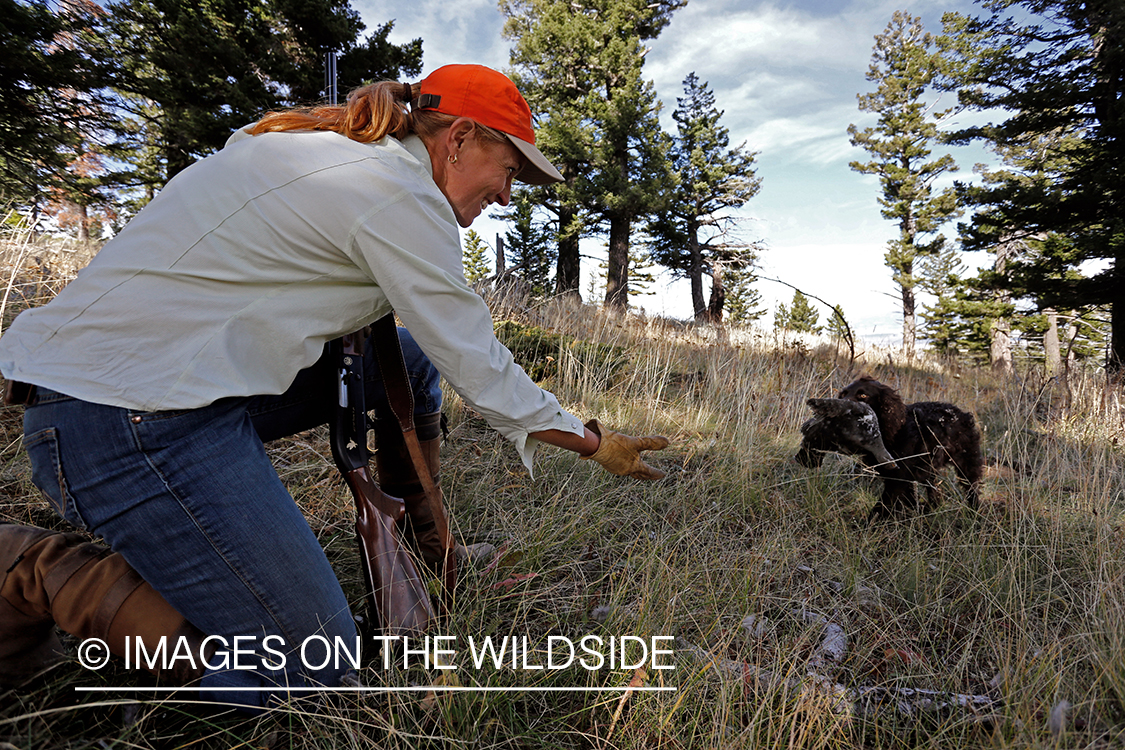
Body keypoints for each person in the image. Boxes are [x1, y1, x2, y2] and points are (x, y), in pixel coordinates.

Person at [0, 64, 668, 708]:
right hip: (124, 420)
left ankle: (429, 549)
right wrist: (592, 443)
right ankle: (34, 569)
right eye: (509, 170)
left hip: (158, 383)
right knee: (309, 671)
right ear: (459, 139)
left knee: (405, 361)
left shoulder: (312, 145)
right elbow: (478, 362)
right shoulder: (397, 195)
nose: (505, 195)